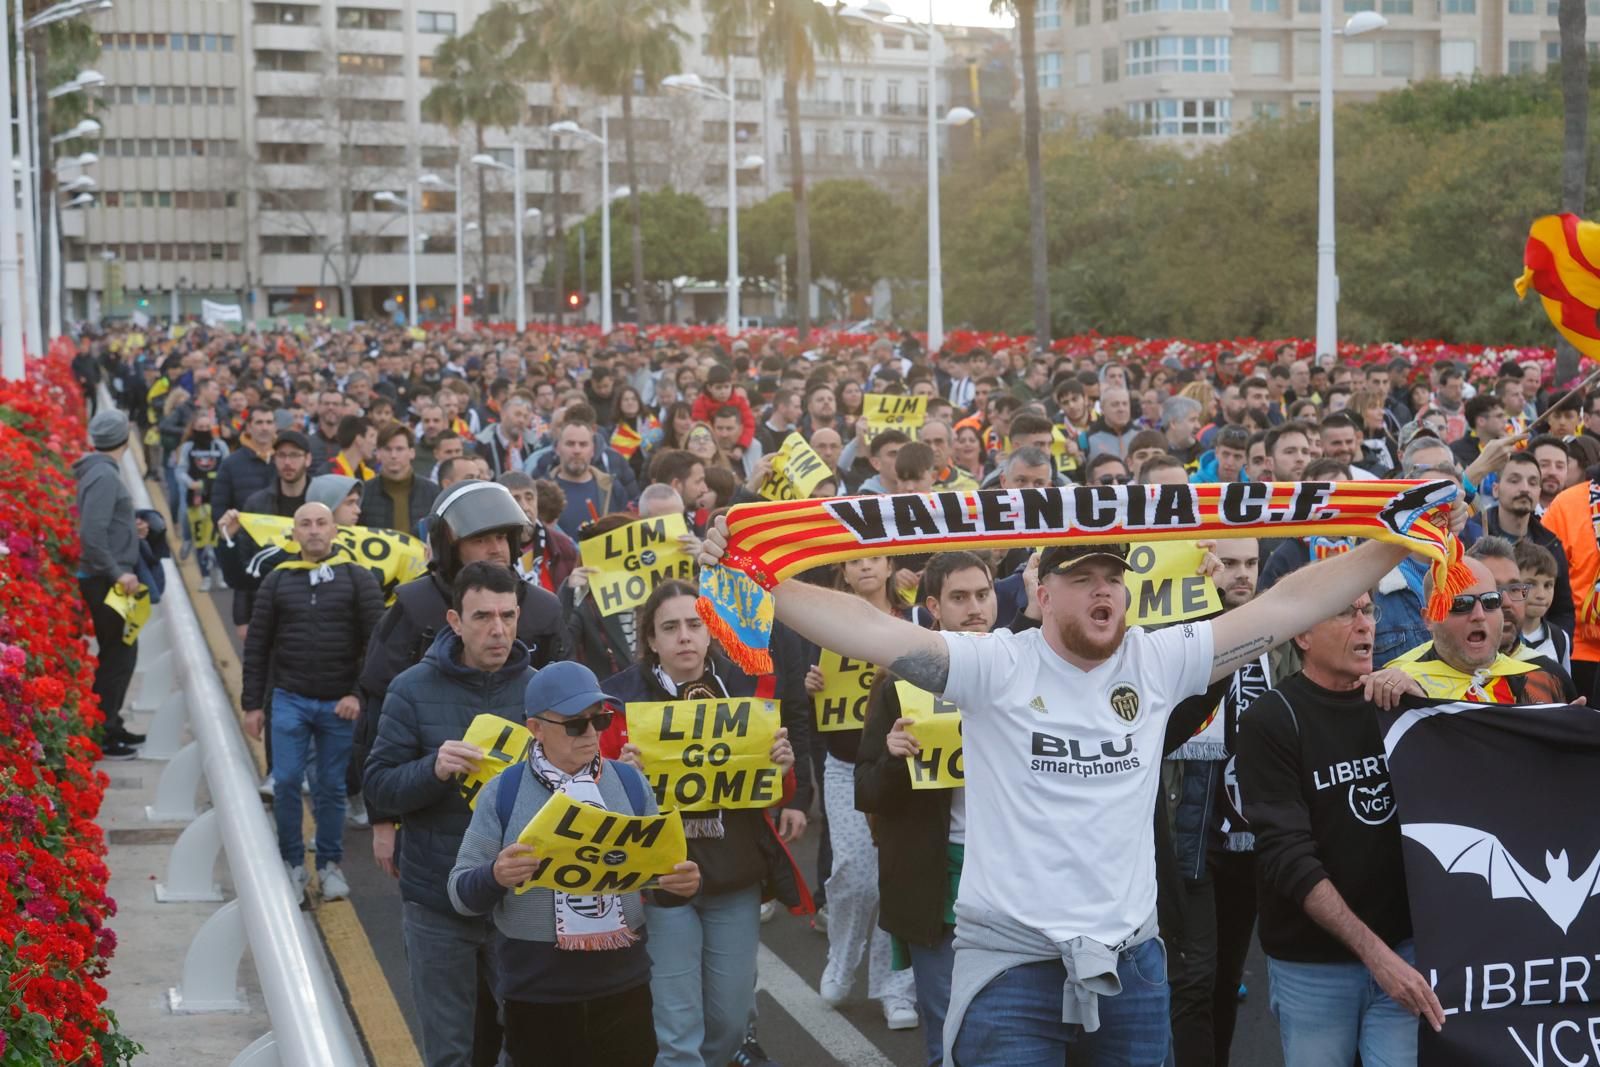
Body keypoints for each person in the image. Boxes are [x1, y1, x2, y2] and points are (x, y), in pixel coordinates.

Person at [697, 512, 1416, 1063]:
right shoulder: (997, 664)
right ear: (1042, 594)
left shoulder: (1158, 658)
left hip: (1131, 968)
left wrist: (1399, 538)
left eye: (1114, 576)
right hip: (1012, 970)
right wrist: (759, 574)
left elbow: (1285, 607)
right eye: (1083, 578)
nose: (1104, 589)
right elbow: (865, 629)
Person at [448, 662, 703, 1067]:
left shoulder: (631, 784)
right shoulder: (504, 792)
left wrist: (678, 887)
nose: (591, 734)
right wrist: (495, 875)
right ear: (535, 728)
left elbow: (651, 885)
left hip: (624, 986)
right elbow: (460, 893)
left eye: (600, 720)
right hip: (537, 994)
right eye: (575, 725)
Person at [602, 580, 811, 1067]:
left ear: (711, 631)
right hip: (661, 880)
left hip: (733, 874)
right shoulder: (617, 703)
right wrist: (623, 778)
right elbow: (600, 803)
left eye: (694, 625)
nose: (684, 637)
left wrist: (783, 769)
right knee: (677, 1033)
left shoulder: (746, 689)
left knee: (731, 1022)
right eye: (669, 627)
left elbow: (772, 792)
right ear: (651, 640)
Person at [1236, 591, 1442, 1066]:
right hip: (1314, 967)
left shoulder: (1398, 703)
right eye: (1345, 613)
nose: (1365, 625)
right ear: (1303, 634)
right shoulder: (1271, 718)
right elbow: (1289, 858)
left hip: (1404, 951)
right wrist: (1378, 956)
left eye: (1368, 611)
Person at [364, 562, 535, 1067]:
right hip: (438, 903)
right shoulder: (411, 689)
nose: (498, 629)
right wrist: (431, 769)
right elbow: (378, 787)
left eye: (507, 616)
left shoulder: (544, 690)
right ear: (455, 621)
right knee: (449, 1052)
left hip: (523, 902)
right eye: (482, 616)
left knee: (533, 1044)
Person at [357, 482, 568, 876]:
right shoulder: (413, 607)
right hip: (434, 826)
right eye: (480, 539)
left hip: (527, 835)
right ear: (450, 547)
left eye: (503, 538)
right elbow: (375, 713)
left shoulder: (543, 609)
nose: (496, 550)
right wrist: (382, 820)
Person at [854, 551, 998, 1066]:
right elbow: (866, 790)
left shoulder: (1026, 670)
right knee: (947, 1024)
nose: (975, 607)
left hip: (1014, 877)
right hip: (937, 880)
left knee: (1015, 1023)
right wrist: (894, 759)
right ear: (934, 606)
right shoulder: (900, 685)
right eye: (960, 598)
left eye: (983, 594)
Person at [241, 502, 385, 903]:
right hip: (289, 698)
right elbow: (257, 645)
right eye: (305, 524)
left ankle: (329, 866)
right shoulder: (277, 580)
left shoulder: (359, 579)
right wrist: (252, 705)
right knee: (285, 780)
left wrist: (357, 694)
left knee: (330, 787)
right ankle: (292, 863)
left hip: (340, 703)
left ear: (335, 531)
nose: (315, 530)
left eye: (322, 523)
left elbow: (376, 645)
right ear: (295, 533)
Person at [1378, 551, 1574, 704]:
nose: (1479, 615)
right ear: (1429, 618)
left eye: (1490, 601)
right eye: (1461, 604)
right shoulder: (1398, 685)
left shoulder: (1543, 678)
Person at [75, 409, 144, 760]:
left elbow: (103, 526)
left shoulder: (99, 471)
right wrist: (118, 572)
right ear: (125, 438)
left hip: (105, 577)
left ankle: (110, 724)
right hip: (106, 581)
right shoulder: (103, 475)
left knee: (120, 652)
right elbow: (91, 533)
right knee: (119, 654)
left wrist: (132, 529)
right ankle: (102, 733)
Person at [360, 421, 441, 535]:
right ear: (378, 453)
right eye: (388, 449)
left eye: (399, 449)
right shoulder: (364, 493)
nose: (393, 455)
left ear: (412, 452)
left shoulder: (432, 492)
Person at [1516, 539, 1572, 673]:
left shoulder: (1560, 638)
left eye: (1548, 585)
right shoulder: (1501, 636)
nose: (1541, 594)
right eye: (1531, 584)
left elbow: (1565, 688)